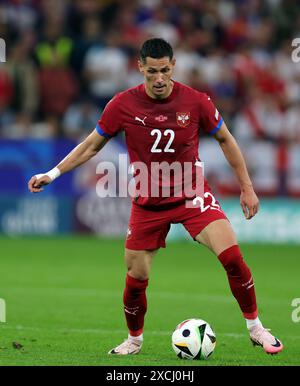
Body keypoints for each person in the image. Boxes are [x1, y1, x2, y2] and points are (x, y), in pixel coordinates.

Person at [28, 38, 283, 356]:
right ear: (140, 68)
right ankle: (134, 340)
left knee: (232, 257)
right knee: (136, 277)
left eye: (164, 70)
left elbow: (226, 139)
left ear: (174, 66)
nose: (159, 78)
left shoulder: (196, 101)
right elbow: (92, 145)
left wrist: (246, 186)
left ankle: (257, 328)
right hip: (147, 204)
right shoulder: (122, 105)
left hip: (192, 195)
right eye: (152, 72)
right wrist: (51, 174)